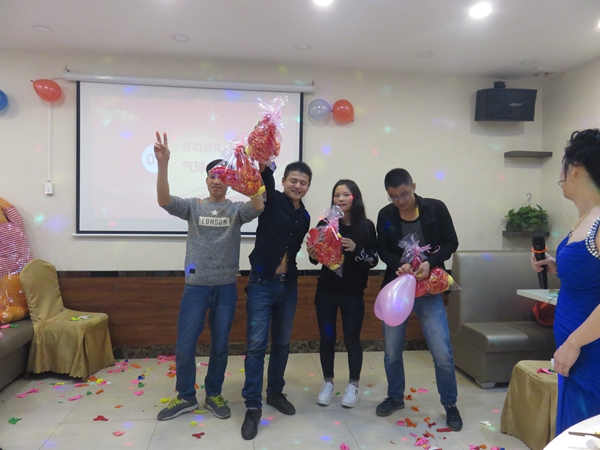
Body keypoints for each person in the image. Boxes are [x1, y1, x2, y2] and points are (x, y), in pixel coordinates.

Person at [153, 132, 264, 421]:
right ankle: (186, 397)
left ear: (229, 182)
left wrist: (250, 172)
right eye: (212, 176)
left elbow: (258, 205)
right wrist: (163, 164)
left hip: (226, 287)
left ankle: (214, 393)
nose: (217, 181)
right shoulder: (193, 206)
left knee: (220, 346)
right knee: (185, 345)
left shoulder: (236, 210)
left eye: (223, 177)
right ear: (206, 180)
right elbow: (164, 200)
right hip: (195, 287)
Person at [375, 168, 462, 431]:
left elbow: (451, 242)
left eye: (404, 194)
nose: (400, 201)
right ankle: (395, 397)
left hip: (429, 290)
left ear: (413, 186)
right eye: (393, 197)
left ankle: (450, 404)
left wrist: (430, 262)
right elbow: (383, 248)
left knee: (442, 352)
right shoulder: (386, 215)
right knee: (392, 352)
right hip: (397, 290)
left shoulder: (435, 209)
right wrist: (398, 264)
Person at [530, 129, 600, 434]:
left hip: (589, 348)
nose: (559, 175)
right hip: (574, 345)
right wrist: (557, 265)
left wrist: (574, 343)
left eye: (563, 165)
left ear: (576, 168)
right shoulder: (585, 218)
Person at [241, 161, 312, 440]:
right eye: (293, 180)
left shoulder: (304, 216)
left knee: (282, 343)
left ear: (308, 186)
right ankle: (252, 406)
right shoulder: (271, 200)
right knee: (256, 347)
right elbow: (264, 179)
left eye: (303, 182)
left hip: (288, 286)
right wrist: (264, 162)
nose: (297, 185)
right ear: (283, 181)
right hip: (261, 285)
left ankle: (274, 393)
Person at [307, 180, 379, 408]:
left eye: (346, 194)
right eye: (336, 195)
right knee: (327, 338)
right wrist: (313, 253)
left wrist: (356, 249)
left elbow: (373, 260)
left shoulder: (366, 226)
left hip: (353, 294)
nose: (340, 199)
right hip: (326, 291)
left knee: (352, 339)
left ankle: (353, 385)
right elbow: (315, 259)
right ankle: (328, 383)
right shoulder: (325, 224)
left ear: (354, 197)